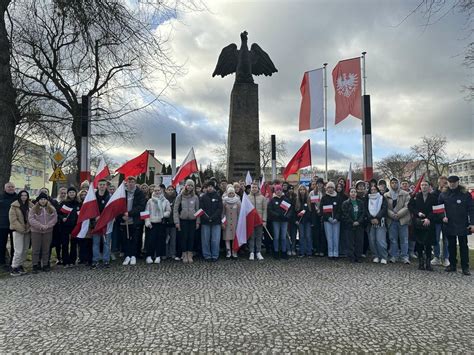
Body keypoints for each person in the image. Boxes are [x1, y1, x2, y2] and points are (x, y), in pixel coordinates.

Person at [439, 175, 473, 276]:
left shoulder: (465, 194)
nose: (452, 184)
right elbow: (439, 208)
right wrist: (442, 217)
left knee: (463, 246)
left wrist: (472, 223)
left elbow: (471, 209)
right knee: (451, 246)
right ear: (448, 183)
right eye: (450, 182)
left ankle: (465, 267)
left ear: (458, 182)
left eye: (454, 182)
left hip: (462, 224)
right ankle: (452, 265)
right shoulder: (443, 194)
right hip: (449, 224)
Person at [408, 181, 438, 271]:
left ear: (429, 187)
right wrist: (418, 213)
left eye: (426, 185)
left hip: (429, 222)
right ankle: (421, 262)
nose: (424, 186)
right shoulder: (416, 196)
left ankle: (428, 263)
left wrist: (428, 218)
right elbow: (410, 206)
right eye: (422, 185)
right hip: (418, 222)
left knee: (428, 244)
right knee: (419, 243)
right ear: (420, 186)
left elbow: (435, 210)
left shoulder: (433, 197)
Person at [28, 192, 57, 273]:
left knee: (46, 248)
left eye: (44, 199)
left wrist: (48, 225)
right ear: (38, 200)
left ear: (47, 200)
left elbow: (54, 219)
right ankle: (35, 265)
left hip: (48, 231)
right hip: (36, 231)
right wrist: (40, 226)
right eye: (41, 199)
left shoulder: (51, 208)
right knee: (36, 249)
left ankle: (45, 264)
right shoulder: (34, 209)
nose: (43, 201)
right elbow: (31, 219)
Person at [120, 176, 146, 266]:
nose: (130, 183)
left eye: (132, 182)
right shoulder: (122, 193)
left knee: (135, 239)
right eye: (129, 182)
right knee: (126, 239)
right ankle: (127, 255)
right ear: (126, 183)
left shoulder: (140, 193)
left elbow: (141, 206)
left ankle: (134, 255)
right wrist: (122, 215)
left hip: (135, 220)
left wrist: (130, 213)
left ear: (135, 183)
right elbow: (117, 206)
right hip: (125, 221)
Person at [385, 178, 411, 264]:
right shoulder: (386, 195)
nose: (394, 184)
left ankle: (404, 256)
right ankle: (394, 255)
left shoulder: (405, 194)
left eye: (396, 182)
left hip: (402, 219)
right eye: (392, 183)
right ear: (390, 184)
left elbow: (407, 206)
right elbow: (385, 207)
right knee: (393, 239)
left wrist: (398, 214)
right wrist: (392, 214)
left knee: (404, 239)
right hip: (391, 220)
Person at [173, 179, 200, 263]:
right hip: (183, 220)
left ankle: (189, 253)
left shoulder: (195, 197)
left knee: (191, 237)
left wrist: (198, 222)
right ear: (185, 186)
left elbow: (198, 210)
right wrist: (176, 222)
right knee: (183, 237)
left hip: (192, 220)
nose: (190, 187)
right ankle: (184, 253)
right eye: (188, 185)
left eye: (192, 185)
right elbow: (175, 210)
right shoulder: (180, 196)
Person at [8, 190, 34, 276]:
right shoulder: (14, 206)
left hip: (27, 230)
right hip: (18, 230)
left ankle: (20, 265)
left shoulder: (30, 205)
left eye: (25, 195)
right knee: (18, 250)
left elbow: (33, 217)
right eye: (22, 195)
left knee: (25, 250)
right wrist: (22, 229)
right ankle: (14, 267)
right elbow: (13, 220)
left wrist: (28, 228)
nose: (24, 197)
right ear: (19, 196)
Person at [144, 185, 171, 264]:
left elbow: (168, 211)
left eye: (158, 190)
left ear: (161, 191)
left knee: (160, 240)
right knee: (150, 240)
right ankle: (149, 255)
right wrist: (147, 222)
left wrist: (163, 215)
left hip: (161, 222)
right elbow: (146, 212)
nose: (157, 192)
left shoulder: (165, 201)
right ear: (153, 191)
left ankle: (158, 255)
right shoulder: (149, 201)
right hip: (151, 223)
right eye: (155, 190)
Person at [200, 181, 223, 262]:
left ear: (214, 187)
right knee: (205, 239)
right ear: (206, 188)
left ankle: (215, 255)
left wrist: (212, 217)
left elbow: (219, 209)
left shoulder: (218, 197)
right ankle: (207, 255)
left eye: (211, 186)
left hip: (216, 222)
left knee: (215, 239)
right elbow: (201, 209)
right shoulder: (203, 197)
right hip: (205, 222)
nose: (210, 188)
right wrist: (207, 218)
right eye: (208, 186)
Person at [268, 184, 292, 259]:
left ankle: (283, 252)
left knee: (283, 237)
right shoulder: (272, 200)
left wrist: (287, 216)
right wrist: (277, 215)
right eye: (277, 190)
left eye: (280, 190)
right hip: (276, 221)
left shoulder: (286, 199)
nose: (279, 191)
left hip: (284, 220)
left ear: (282, 191)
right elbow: (270, 210)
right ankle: (276, 252)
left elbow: (290, 209)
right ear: (275, 191)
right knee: (276, 237)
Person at [365, 185, 388, 264]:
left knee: (380, 240)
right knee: (372, 240)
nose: (373, 191)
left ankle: (383, 256)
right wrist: (371, 218)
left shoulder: (382, 198)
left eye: (375, 189)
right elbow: (365, 210)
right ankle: (375, 256)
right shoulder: (367, 198)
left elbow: (384, 208)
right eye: (372, 189)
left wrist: (377, 218)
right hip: (370, 222)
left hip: (380, 222)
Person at [320, 182, 343, 259]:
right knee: (329, 237)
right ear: (326, 188)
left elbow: (340, 209)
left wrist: (336, 218)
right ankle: (330, 252)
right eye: (329, 187)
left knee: (336, 237)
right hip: (328, 220)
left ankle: (336, 253)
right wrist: (328, 218)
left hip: (336, 220)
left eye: (332, 187)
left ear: (334, 188)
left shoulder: (338, 197)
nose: (330, 189)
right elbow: (322, 210)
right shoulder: (324, 198)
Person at [91, 180, 111, 269]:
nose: (102, 186)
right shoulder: (93, 197)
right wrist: (94, 217)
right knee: (96, 243)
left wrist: (103, 218)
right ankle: (95, 260)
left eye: (104, 185)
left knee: (106, 243)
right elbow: (89, 209)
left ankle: (106, 260)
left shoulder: (110, 197)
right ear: (97, 186)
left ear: (106, 186)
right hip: (96, 223)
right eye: (100, 185)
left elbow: (111, 210)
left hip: (107, 223)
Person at [342, 188, 365, 263]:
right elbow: (345, 214)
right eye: (351, 192)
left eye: (354, 192)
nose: (353, 193)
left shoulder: (360, 203)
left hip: (359, 225)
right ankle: (351, 257)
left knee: (359, 241)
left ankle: (358, 256)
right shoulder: (345, 203)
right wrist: (352, 222)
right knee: (350, 242)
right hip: (349, 225)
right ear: (349, 193)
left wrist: (358, 221)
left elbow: (363, 213)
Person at [58, 187, 80, 267]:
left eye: (73, 192)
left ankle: (72, 260)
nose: (72, 194)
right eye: (70, 192)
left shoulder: (78, 203)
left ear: (75, 193)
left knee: (74, 244)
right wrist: (62, 218)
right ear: (68, 194)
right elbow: (58, 213)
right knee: (65, 244)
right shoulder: (64, 203)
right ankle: (65, 261)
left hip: (75, 226)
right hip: (65, 226)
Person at [431, 176, 450, 267]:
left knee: (446, 240)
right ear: (439, 183)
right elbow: (433, 206)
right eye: (442, 182)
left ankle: (446, 257)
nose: (444, 184)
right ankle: (436, 256)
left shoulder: (449, 193)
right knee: (436, 239)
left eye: (445, 182)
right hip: (437, 220)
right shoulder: (434, 193)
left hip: (447, 220)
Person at [248, 182, 267, 261]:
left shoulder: (262, 198)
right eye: (253, 187)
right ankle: (251, 252)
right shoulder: (247, 197)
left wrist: (264, 220)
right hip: (251, 220)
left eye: (255, 187)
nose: (254, 189)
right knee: (251, 237)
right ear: (250, 188)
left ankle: (258, 252)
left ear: (258, 188)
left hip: (259, 220)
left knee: (259, 236)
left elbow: (264, 209)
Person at [0, 182, 17, 270]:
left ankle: (13, 263)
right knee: (1, 245)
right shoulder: (1, 197)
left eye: (12, 187)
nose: (10, 188)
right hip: (2, 225)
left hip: (15, 225)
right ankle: (2, 263)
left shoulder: (18, 198)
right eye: (8, 187)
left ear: (14, 188)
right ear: (5, 188)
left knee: (15, 245)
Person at [222, 186, 241, 259]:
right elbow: (222, 213)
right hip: (227, 222)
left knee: (234, 237)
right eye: (229, 193)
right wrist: (223, 222)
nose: (231, 194)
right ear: (227, 193)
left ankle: (234, 251)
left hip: (235, 222)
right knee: (227, 237)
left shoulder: (238, 201)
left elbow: (240, 213)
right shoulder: (224, 201)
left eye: (232, 193)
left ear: (234, 193)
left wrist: (239, 223)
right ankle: (228, 251)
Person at [295, 184, 312, 257]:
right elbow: (295, 211)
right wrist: (296, 220)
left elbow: (312, 211)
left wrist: (311, 221)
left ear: (306, 191)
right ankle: (302, 252)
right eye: (301, 190)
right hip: (300, 221)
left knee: (308, 236)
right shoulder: (297, 200)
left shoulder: (309, 200)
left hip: (308, 221)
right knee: (301, 236)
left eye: (303, 189)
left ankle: (309, 252)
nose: (302, 191)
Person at [164, 185, 179, 261]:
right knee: (166, 239)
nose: (170, 191)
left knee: (173, 238)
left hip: (173, 222)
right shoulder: (163, 199)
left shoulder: (176, 198)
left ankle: (172, 253)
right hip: (165, 222)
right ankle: (165, 253)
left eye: (172, 189)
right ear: (166, 190)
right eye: (169, 189)